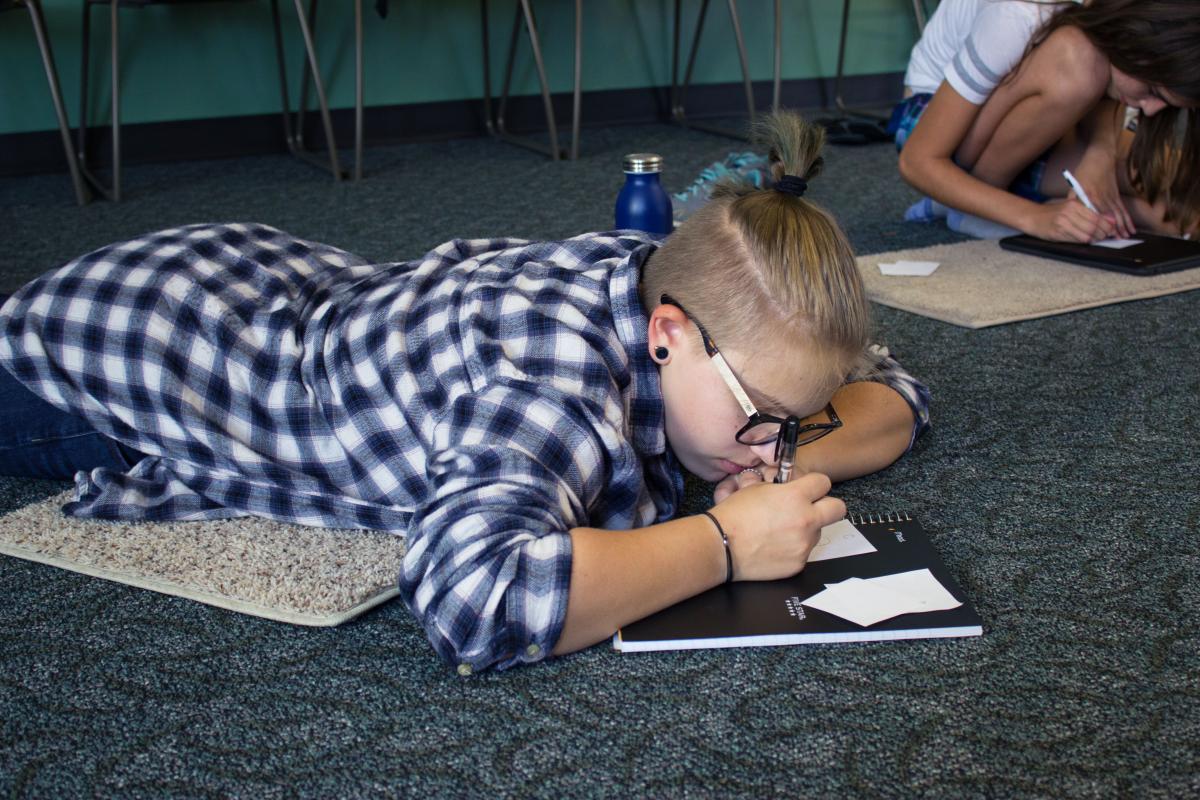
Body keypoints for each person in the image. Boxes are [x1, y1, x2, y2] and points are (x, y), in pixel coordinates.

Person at [0, 112, 929, 673]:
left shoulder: (687, 287)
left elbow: (892, 392)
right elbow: (474, 599)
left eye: (792, 421)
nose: (772, 444)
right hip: (118, 358)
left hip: (263, 285)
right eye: (759, 414)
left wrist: (782, 441)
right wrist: (725, 542)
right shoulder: (548, 383)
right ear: (667, 336)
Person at [891, 0, 1199, 242]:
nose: (1152, 110)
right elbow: (917, 161)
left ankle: (1030, 203)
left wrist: (1100, 155)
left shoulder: (1108, 29)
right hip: (932, 118)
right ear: (1132, 39)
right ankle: (979, 207)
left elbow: (1105, 95)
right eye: (1151, 91)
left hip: (1037, 124)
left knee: (1183, 197)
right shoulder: (1020, 16)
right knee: (1078, 64)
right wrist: (1034, 218)